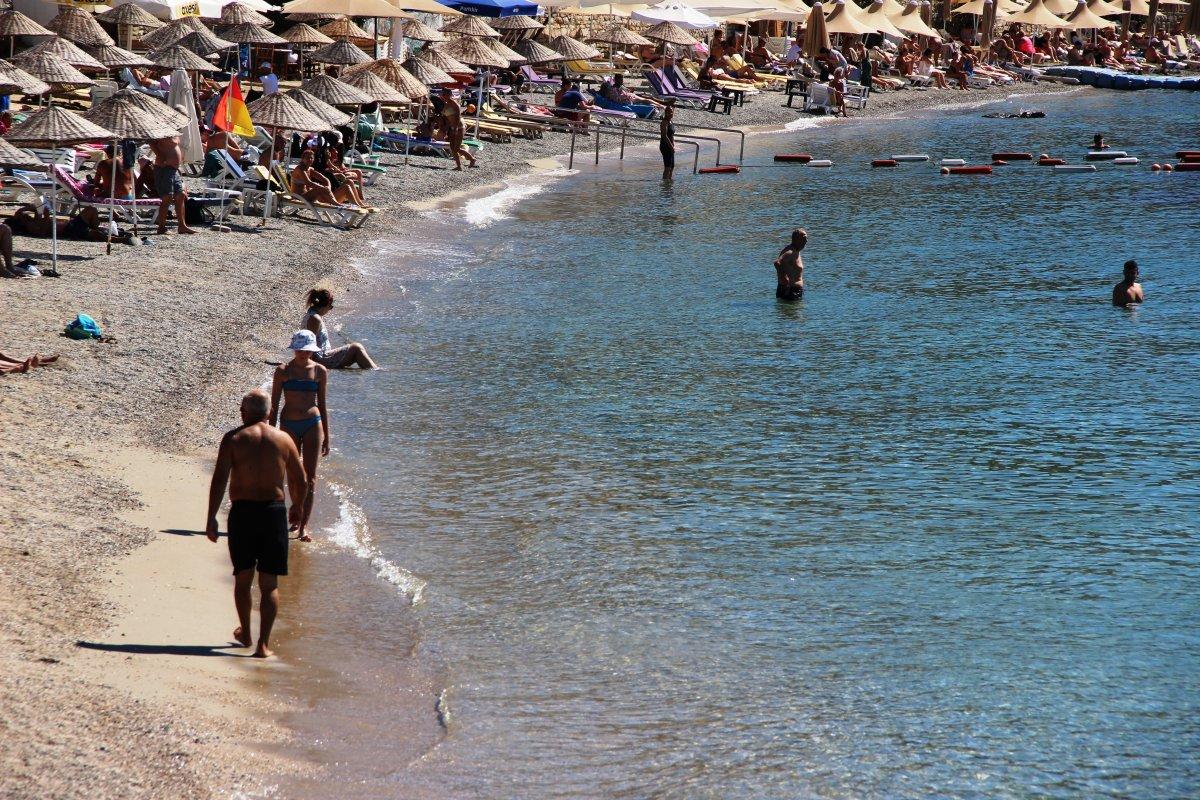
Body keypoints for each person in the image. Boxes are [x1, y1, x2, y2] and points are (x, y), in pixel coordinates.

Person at [207, 389, 306, 658]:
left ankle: (247, 634)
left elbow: (220, 480)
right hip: (273, 513)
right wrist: (297, 507)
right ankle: (263, 644)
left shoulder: (234, 438)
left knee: (243, 577)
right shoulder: (284, 439)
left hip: (243, 513)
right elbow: (301, 479)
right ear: (269, 413)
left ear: (244, 412)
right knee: (269, 583)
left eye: (241, 409)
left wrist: (211, 518)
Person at [270, 331, 329, 542]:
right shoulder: (283, 371)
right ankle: (295, 510)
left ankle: (303, 525)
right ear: (294, 349)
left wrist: (327, 437)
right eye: (300, 349)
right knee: (293, 475)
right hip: (288, 425)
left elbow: (322, 405)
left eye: (307, 350)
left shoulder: (320, 371)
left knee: (310, 478)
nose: (304, 353)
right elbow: (275, 404)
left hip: (313, 424)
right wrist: (270, 433)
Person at [303, 288, 378, 369]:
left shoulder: (312, 315)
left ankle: (371, 372)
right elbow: (309, 344)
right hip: (320, 359)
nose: (330, 310)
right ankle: (376, 373)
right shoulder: (315, 319)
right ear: (326, 305)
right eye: (330, 307)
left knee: (355, 348)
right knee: (356, 348)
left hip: (323, 355)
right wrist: (307, 366)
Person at [150, 134, 195, 235]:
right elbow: (151, 141)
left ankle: (182, 226)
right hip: (164, 168)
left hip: (173, 169)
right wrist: (160, 155)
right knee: (167, 197)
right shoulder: (161, 130)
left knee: (181, 194)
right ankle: (161, 227)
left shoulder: (174, 131)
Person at [439, 88, 477, 171]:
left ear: (449, 95)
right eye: (443, 95)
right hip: (453, 127)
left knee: (457, 148)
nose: (443, 96)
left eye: (445, 95)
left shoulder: (454, 103)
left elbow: (457, 116)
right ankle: (459, 166)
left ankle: (472, 159)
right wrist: (445, 129)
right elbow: (446, 118)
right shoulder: (446, 103)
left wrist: (455, 128)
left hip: (459, 127)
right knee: (453, 148)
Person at [774, 228, 807, 301]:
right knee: (792, 312)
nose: (806, 241)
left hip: (792, 290)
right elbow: (777, 263)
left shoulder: (795, 250)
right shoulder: (790, 252)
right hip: (791, 291)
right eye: (804, 238)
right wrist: (785, 280)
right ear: (797, 239)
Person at [659, 102, 676, 180]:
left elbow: (671, 135)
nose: (670, 113)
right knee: (667, 167)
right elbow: (664, 136)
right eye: (668, 112)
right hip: (665, 146)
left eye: (671, 112)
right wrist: (671, 146)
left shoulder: (671, 121)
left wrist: (674, 144)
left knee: (672, 166)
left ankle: (669, 182)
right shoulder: (664, 122)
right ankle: (664, 185)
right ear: (665, 113)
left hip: (670, 146)